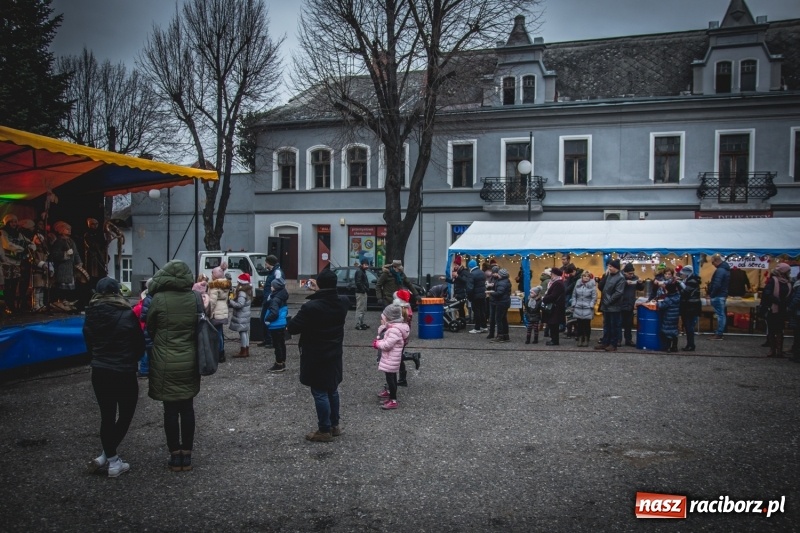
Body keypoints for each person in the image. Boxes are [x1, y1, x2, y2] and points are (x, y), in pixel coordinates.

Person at [83, 277, 145, 478]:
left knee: (106, 416)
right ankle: (112, 461)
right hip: (124, 372)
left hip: (100, 371)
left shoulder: (91, 314)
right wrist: (131, 360)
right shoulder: (126, 314)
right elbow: (139, 345)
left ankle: (107, 456)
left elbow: (89, 344)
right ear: (117, 292)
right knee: (126, 414)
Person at [146, 260, 201, 472]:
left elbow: (150, 327)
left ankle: (174, 454)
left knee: (169, 410)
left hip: (164, 360)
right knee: (187, 408)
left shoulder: (158, 299)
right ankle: (187, 455)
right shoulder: (194, 297)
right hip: (189, 359)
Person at [286, 266, 349, 443]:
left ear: (319, 285)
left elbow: (293, 327)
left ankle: (324, 429)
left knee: (320, 391)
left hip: (315, 353)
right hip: (334, 351)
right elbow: (331, 298)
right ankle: (334, 425)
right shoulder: (342, 302)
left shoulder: (311, 307)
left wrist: (316, 293)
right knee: (332, 389)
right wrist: (319, 291)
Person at [374, 304, 410, 410]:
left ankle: (393, 400)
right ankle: (391, 397)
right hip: (391, 358)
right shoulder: (395, 328)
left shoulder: (394, 330)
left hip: (391, 358)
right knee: (391, 378)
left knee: (391, 379)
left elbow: (387, 345)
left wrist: (377, 344)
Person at [1, 214, 34, 315]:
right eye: (12, 222)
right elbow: (7, 245)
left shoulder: (18, 233)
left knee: (14, 284)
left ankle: (13, 305)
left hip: (16, 262)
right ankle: (8, 305)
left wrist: (32, 246)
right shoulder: (3, 232)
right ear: (7, 223)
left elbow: (28, 242)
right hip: (5, 262)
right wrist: (22, 249)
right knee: (8, 285)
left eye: (15, 221)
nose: (14, 224)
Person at [49, 221, 84, 312]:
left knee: (69, 285)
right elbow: (55, 254)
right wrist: (65, 254)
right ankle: (60, 301)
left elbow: (76, 253)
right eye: (67, 229)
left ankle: (66, 301)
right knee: (62, 285)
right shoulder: (59, 241)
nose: (69, 231)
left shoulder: (71, 241)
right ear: (61, 230)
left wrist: (79, 262)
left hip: (70, 267)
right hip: (62, 267)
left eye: (70, 229)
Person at [761, 263, 792, 358]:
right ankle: (772, 349)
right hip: (773, 308)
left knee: (780, 329)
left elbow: (790, 295)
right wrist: (778, 301)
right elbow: (767, 294)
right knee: (772, 329)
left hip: (782, 309)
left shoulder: (788, 282)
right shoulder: (773, 281)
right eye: (788, 271)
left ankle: (779, 350)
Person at [595, 259, 625, 352]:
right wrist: (605, 275)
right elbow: (601, 286)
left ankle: (613, 344)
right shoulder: (609, 276)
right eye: (608, 266)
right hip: (606, 305)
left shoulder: (620, 278)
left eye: (610, 266)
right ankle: (605, 342)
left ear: (615, 267)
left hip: (614, 306)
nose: (609, 268)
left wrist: (609, 301)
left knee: (613, 326)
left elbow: (618, 292)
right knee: (606, 325)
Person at [264, 277, 290, 372]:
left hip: (275, 325)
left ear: (275, 287)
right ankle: (282, 361)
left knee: (277, 344)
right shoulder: (283, 295)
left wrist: (267, 319)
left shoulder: (275, 299)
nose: (270, 287)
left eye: (272, 286)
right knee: (281, 343)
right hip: (282, 323)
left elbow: (274, 313)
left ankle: (278, 363)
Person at [258, 255, 283, 347]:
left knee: (268, 319)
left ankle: (271, 341)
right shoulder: (273, 271)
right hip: (268, 298)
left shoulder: (277, 272)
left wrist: (270, 296)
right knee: (263, 319)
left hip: (271, 299)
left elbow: (279, 284)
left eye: (266, 262)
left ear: (269, 263)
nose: (265, 264)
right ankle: (267, 339)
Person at [207, 262, 231, 362]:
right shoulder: (225, 285)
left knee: (216, 333)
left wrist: (208, 312)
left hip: (216, 312)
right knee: (220, 332)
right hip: (223, 310)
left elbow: (212, 302)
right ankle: (222, 352)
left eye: (212, 273)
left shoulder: (214, 286)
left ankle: (219, 353)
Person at [132, 279, 154, 377]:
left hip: (144, 329)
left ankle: (145, 370)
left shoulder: (146, 300)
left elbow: (141, 315)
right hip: (149, 329)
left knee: (145, 351)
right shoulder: (157, 298)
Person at [677, 265, 701, 352]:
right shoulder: (690, 280)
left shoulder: (692, 281)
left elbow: (686, 292)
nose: (681, 275)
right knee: (688, 326)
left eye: (683, 273)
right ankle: (689, 344)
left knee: (689, 326)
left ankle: (691, 345)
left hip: (690, 307)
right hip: (689, 306)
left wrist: (679, 284)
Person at [229, 273, 253, 358]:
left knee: (242, 332)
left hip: (241, 315)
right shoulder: (248, 290)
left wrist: (230, 301)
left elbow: (239, 304)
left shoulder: (242, 292)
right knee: (245, 332)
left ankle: (243, 351)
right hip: (245, 314)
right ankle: (246, 349)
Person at [707, 253, 731, 340]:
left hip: (718, 295)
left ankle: (719, 333)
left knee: (720, 315)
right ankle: (719, 332)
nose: (713, 265)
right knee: (721, 314)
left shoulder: (720, 271)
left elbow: (717, 284)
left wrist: (712, 294)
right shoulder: (725, 270)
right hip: (722, 294)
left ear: (716, 261)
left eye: (713, 263)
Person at [83, 218, 110, 293]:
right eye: (93, 224)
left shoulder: (100, 234)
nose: (95, 226)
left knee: (101, 273)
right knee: (93, 274)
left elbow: (104, 244)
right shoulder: (87, 234)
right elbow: (91, 245)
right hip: (93, 257)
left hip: (100, 256)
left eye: (96, 224)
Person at [571, 271, 597, 347]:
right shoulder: (577, 285)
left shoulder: (592, 286)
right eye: (584, 276)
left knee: (586, 324)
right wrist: (574, 303)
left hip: (587, 307)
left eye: (587, 276)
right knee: (579, 324)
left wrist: (591, 304)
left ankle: (586, 338)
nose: (586, 277)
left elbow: (594, 297)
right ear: (582, 277)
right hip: (578, 306)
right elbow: (574, 295)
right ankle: (580, 338)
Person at [655, 279, 681, 352]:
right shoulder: (678, 297)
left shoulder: (668, 299)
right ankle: (675, 346)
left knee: (667, 331)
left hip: (668, 317)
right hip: (675, 317)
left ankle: (668, 347)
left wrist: (657, 303)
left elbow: (662, 306)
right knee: (674, 331)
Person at [620, 263, 643, 347]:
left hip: (630, 304)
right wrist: (625, 283)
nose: (631, 275)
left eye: (632, 273)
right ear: (625, 272)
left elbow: (641, 288)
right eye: (629, 273)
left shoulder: (635, 278)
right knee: (619, 324)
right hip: (621, 304)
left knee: (629, 324)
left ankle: (628, 340)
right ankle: (618, 340)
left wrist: (640, 283)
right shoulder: (620, 278)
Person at [542, 267, 566, 346]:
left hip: (555, 307)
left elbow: (553, 296)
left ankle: (554, 340)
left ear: (555, 274)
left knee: (553, 324)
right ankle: (553, 339)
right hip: (556, 306)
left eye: (551, 274)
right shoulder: (557, 282)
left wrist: (544, 298)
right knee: (552, 324)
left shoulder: (558, 283)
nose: (551, 275)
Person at [487, 268, 512, 343]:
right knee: (503, 319)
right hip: (505, 302)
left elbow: (499, 293)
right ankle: (505, 335)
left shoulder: (502, 282)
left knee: (499, 319)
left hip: (501, 302)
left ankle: (500, 335)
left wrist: (490, 292)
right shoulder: (506, 281)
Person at [467, 260, 487, 334]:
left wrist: (469, 297)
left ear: (470, 266)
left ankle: (477, 328)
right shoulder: (482, 272)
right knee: (482, 311)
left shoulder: (471, 274)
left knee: (476, 312)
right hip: (482, 295)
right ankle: (484, 326)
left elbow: (470, 288)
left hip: (475, 296)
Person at [354, 258, 370, 330]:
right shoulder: (360, 272)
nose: (367, 266)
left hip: (362, 292)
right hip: (360, 293)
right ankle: (358, 324)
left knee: (363, 308)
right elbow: (358, 282)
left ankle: (361, 323)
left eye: (367, 265)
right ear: (362, 264)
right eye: (365, 265)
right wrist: (363, 290)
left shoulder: (362, 271)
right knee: (360, 308)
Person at [787, 275, 800, 363]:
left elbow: (797, 299)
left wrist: (789, 308)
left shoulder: (798, 285)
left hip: (797, 313)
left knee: (797, 334)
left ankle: (797, 355)